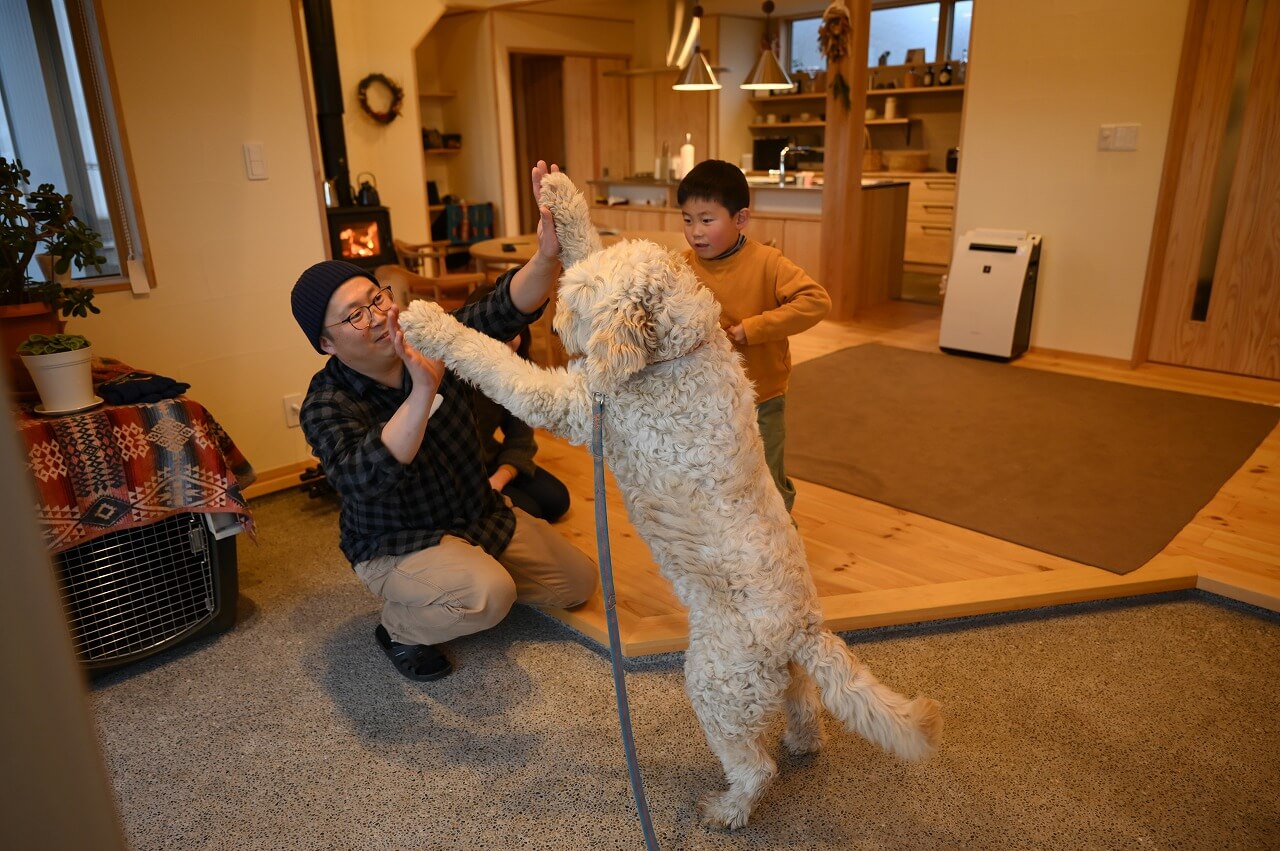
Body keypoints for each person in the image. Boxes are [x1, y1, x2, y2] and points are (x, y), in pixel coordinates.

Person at [291, 161, 596, 683]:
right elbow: (363, 479)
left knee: (579, 582)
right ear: (326, 343)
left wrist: (548, 255)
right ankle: (400, 626)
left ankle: (468, 578)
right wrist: (423, 389)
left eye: (375, 299)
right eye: (354, 316)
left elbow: (501, 309)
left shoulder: (427, 332)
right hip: (396, 543)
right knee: (490, 595)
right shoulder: (325, 402)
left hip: (476, 514)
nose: (376, 316)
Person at [677, 159, 831, 513]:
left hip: (762, 395)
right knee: (716, 476)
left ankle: (781, 542)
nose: (695, 231)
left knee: (766, 478)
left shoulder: (768, 262)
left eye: (706, 219)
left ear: (740, 219)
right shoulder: (681, 266)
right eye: (687, 219)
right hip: (706, 398)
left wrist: (755, 328)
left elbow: (816, 301)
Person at [463, 283, 571, 523]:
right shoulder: (457, 374)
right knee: (529, 511)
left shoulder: (513, 374)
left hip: (489, 459)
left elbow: (520, 438)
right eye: (502, 332)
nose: (512, 341)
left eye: (516, 330)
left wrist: (501, 478)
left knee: (557, 500)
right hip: (461, 473)